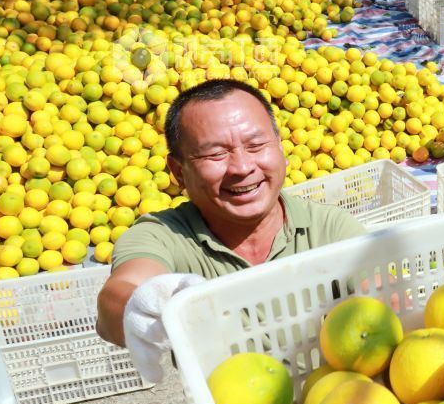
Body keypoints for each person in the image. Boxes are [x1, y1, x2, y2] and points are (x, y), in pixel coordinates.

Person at [96, 79, 366, 380]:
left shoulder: (329, 229)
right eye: (215, 154)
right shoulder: (163, 235)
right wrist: (139, 307)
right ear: (178, 172)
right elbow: (120, 295)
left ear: (280, 148)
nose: (241, 167)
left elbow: (386, 301)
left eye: (256, 145)